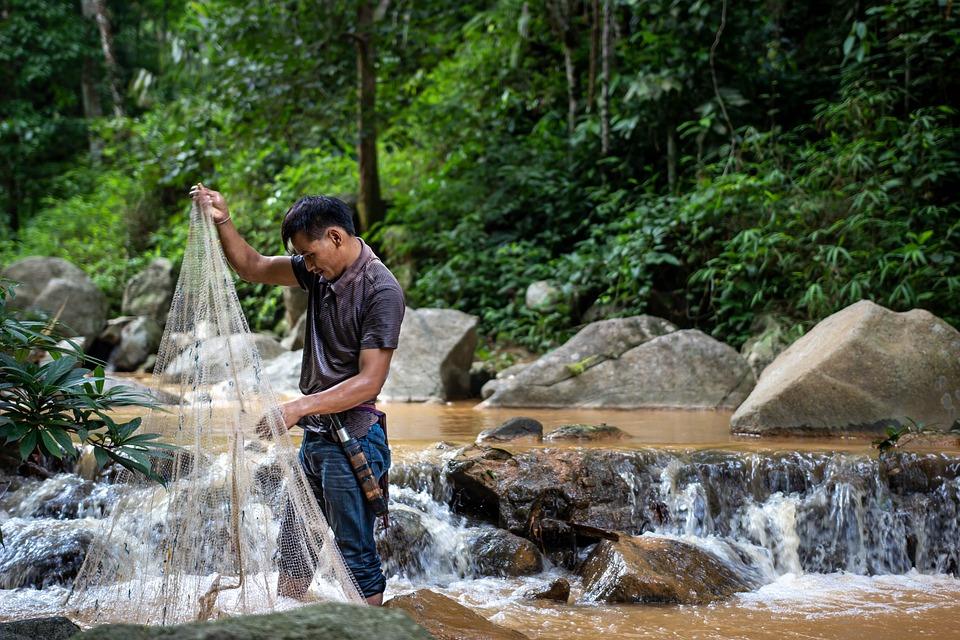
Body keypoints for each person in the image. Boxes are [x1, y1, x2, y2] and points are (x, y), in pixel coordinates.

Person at [190, 183, 404, 606]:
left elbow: (370, 382)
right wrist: (224, 220)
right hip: (317, 440)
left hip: (354, 442)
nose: (306, 264)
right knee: (292, 559)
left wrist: (297, 407)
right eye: (302, 257)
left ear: (336, 237)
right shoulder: (319, 269)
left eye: (309, 254)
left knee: (356, 561)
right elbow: (252, 267)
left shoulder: (381, 290)